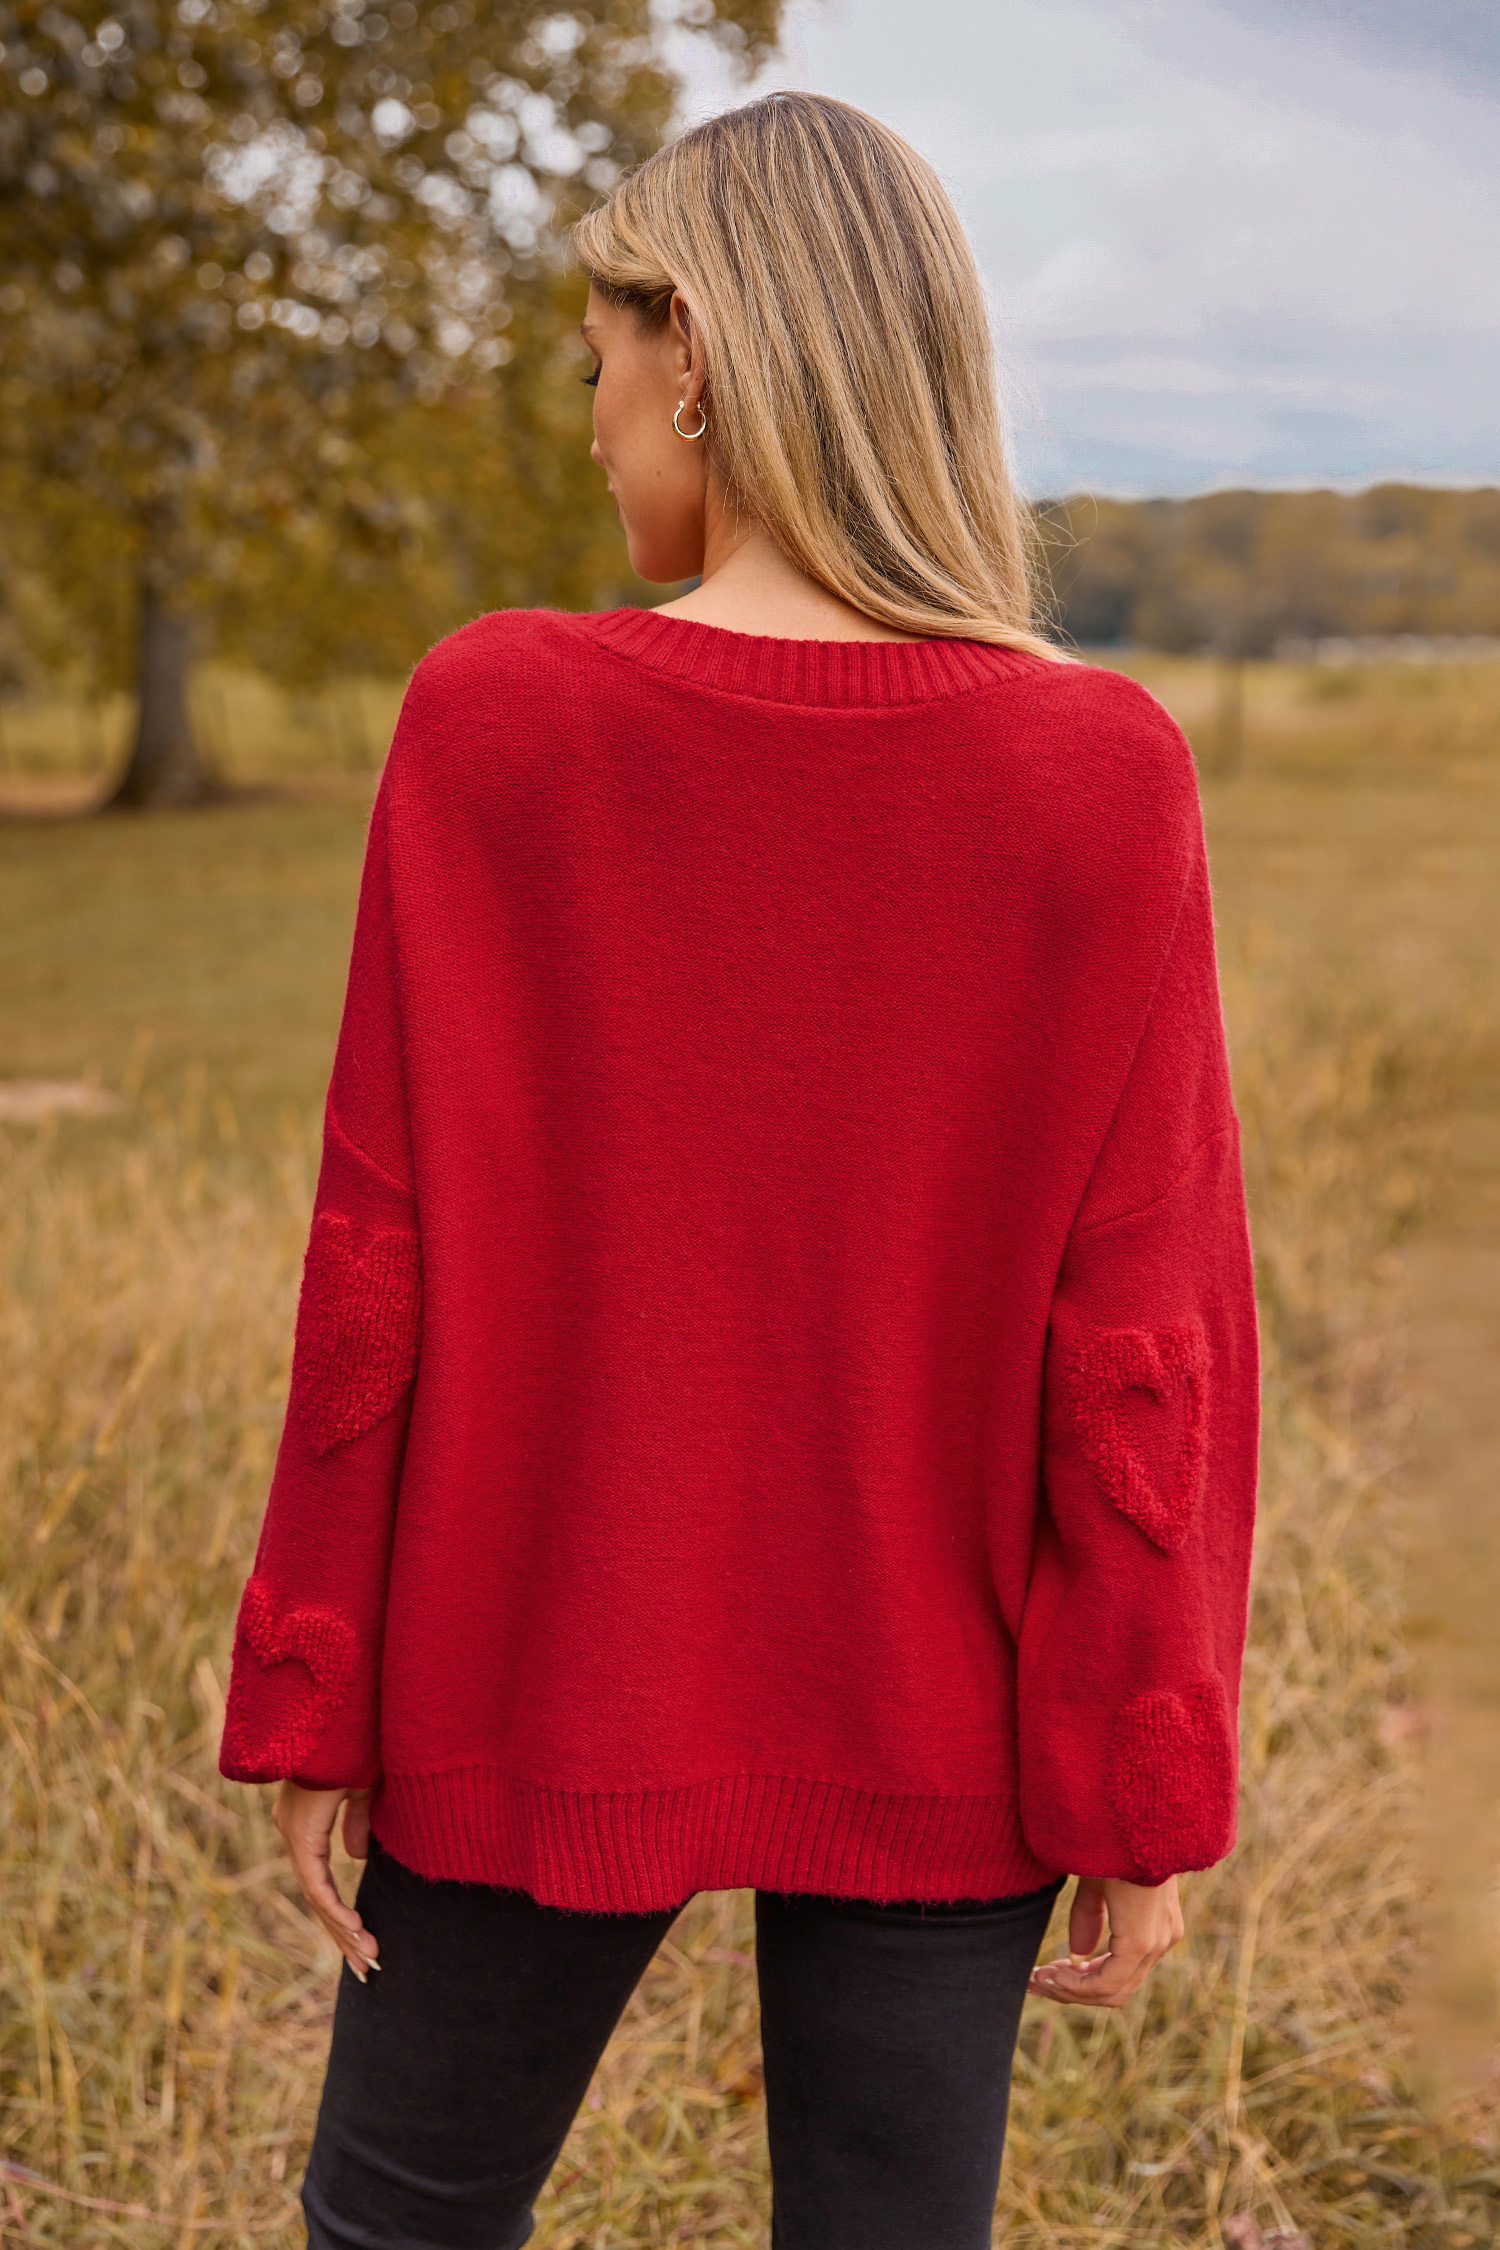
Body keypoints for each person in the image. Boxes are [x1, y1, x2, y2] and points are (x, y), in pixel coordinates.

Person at [218, 89, 1260, 2250]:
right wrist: (1135, 1783)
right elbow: (1149, 1348)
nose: (589, 417)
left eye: (594, 357)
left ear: (691, 343)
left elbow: (371, 1266)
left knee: (390, 2232)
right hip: (941, 1701)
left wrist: (327, 1679)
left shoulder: (495, 720)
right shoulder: (1102, 779)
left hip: (529, 1665)